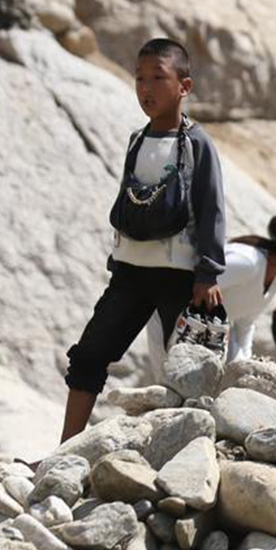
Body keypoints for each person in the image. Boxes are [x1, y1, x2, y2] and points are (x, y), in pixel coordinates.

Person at [60, 38, 225, 440]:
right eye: (139, 79)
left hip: (179, 276)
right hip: (131, 273)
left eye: (158, 78)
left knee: (189, 368)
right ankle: (64, 449)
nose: (146, 89)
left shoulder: (197, 144)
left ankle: (195, 449)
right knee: (89, 355)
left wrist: (208, 273)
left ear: (184, 86)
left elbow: (211, 208)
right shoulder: (138, 139)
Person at [142, 213, 276, 374]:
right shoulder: (247, 262)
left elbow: (245, 323)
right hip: (173, 324)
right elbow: (184, 289)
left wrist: (244, 363)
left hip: (206, 338)